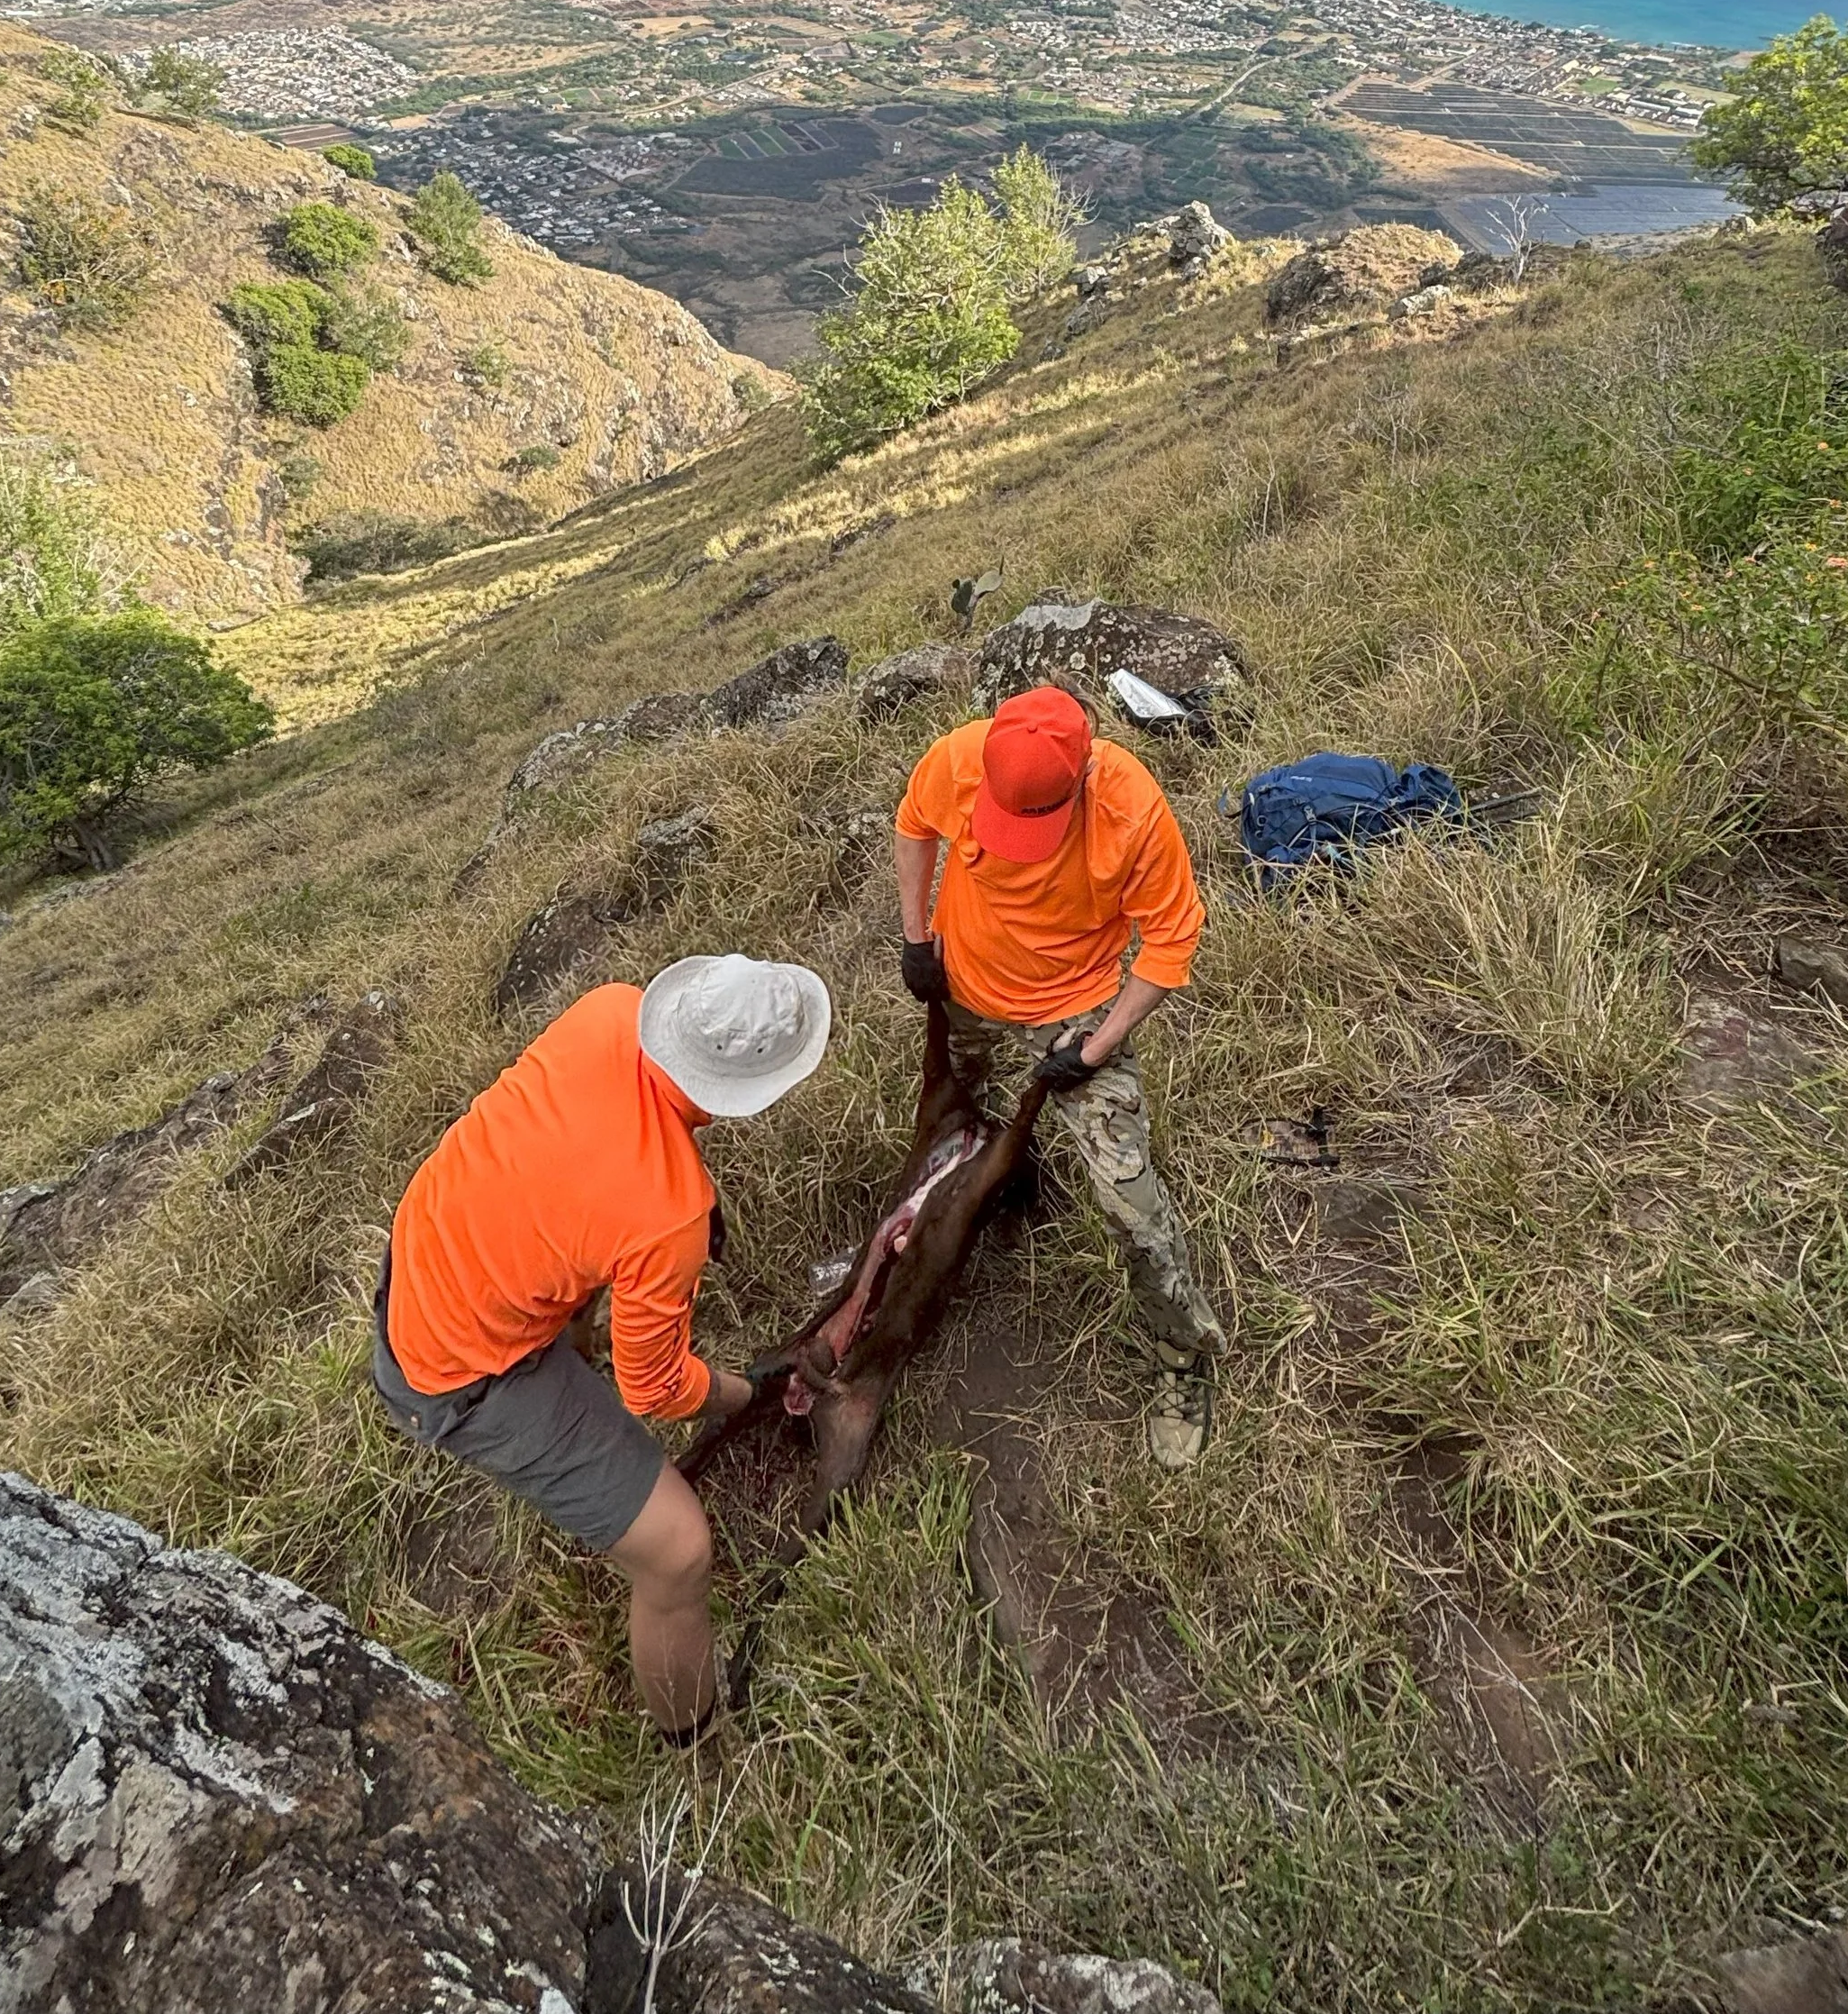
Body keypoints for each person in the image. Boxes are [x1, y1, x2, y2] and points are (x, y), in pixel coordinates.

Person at [372, 953, 830, 1739]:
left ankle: (580, 1429)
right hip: (458, 1375)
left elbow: (584, 1162)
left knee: (581, 1266)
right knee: (680, 1549)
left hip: (427, 1252)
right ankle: (694, 1735)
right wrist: (743, 1391)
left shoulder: (608, 1011)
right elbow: (652, 1388)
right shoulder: (668, 1214)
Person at [893, 684, 1224, 1467]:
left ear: (1081, 777)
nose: (1013, 844)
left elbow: (1173, 942)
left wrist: (1098, 1046)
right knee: (952, 1114)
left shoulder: (1131, 810)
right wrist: (916, 938)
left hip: (1075, 1008)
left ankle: (1183, 1356)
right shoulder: (963, 757)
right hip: (966, 984)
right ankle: (995, 1188)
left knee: (1131, 1204)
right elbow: (914, 823)